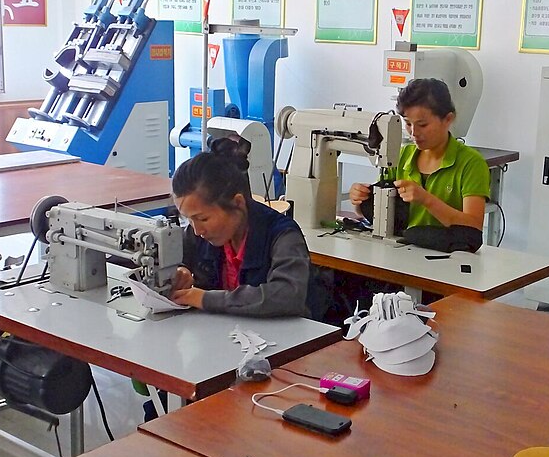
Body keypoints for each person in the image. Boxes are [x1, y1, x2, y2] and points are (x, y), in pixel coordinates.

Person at [169, 145, 314, 318]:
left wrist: (205, 299)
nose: (197, 229)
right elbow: (178, 256)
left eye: (203, 219)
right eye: (188, 219)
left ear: (237, 203)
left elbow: (286, 295)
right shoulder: (198, 232)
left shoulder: (282, 235)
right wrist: (181, 270)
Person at [349, 77, 490, 230]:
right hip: (403, 247)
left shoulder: (471, 163)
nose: (414, 133)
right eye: (408, 123)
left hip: (448, 251)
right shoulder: (401, 156)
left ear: (448, 119)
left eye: (422, 124)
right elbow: (379, 211)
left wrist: (426, 199)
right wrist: (359, 201)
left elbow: (474, 225)